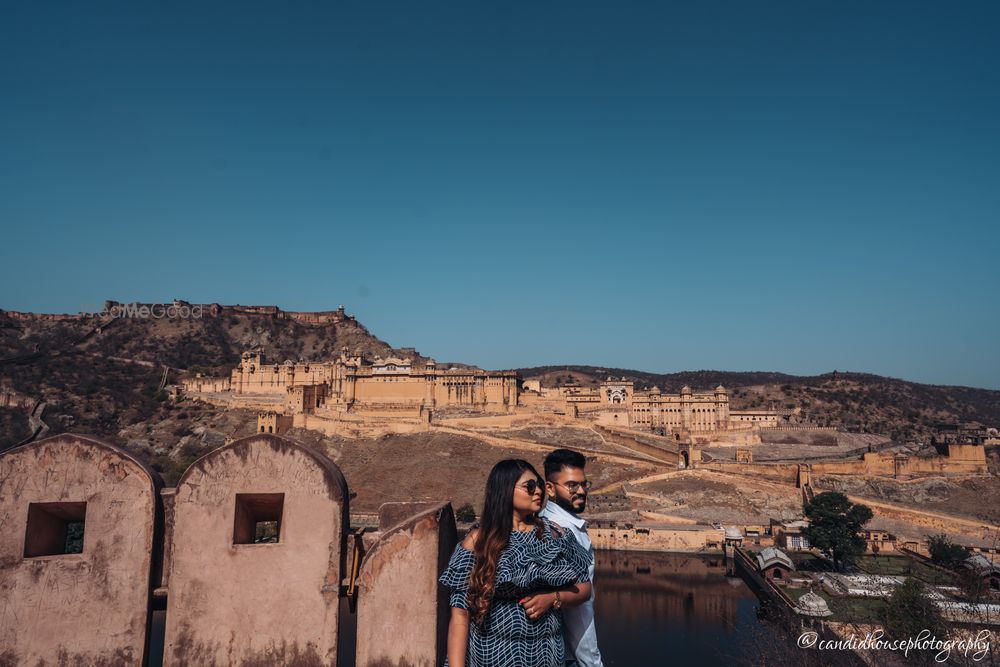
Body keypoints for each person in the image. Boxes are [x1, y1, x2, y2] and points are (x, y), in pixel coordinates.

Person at [439, 459, 594, 667]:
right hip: (492, 656)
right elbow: (460, 616)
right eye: (530, 486)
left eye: (539, 484)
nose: (538, 490)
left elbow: (585, 588)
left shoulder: (556, 535)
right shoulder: (478, 541)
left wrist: (553, 598)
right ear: (505, 490)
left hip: (547, 656)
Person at [537, 449, 604, 667]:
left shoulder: (542, 522)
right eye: (572, 485)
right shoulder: (564, 533)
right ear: (550, 488)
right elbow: (578, 610)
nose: (582, 491)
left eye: (584, 484)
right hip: (569, 657)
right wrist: (592, 663)